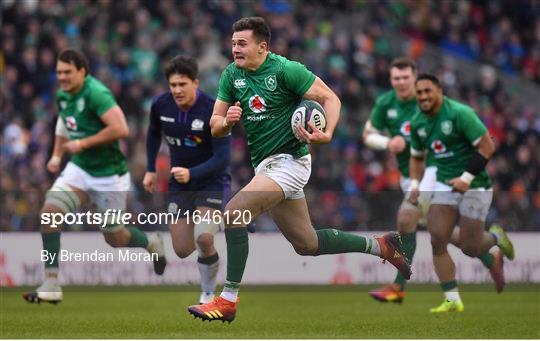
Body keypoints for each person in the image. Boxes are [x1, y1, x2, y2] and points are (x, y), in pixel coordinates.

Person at [187, 17, 411, 323]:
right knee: (307, 245)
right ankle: (382, 246)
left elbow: (330, 98)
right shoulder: (231, 75)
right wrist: (226, 122)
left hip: (291, 162)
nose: (235, 48)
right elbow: (214, 125)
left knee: (234, 214)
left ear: (261, 47)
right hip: (266, 166)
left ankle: (227, 299)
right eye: (233, 43)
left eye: (242, 43)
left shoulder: (285, 70)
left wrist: (328, 132)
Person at [23, 49, 166, 304]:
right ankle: (52, 283)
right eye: (59, 72)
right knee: (49, 213)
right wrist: (56, 155)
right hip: (80, 169)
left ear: (82, 71)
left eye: (67, 72)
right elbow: (63, 124)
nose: (62, 77)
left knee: (115, 237)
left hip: (109, 175)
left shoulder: (97, 93)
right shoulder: (63, 95)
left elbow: (121, 128)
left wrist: (84, 143)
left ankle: (151, 242)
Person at [364, 58, 506, 303]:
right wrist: (388, 143)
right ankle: (490, 252)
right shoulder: (386, 104)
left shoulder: (427, 105)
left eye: (405, 78)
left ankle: (398, 287)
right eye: (395, 78)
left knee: (406, 218)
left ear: (415, 76)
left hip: (434, 172)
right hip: (409, 176)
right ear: (390, 80)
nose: (400, 83)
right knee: (440, 231)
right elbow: (367, 135)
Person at [408, 74, 515, 313]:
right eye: (419, 93)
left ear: (439, 91)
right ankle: (452, 299)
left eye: (428, 91)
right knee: (437, 237)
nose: (423, 96)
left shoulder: (460, 113)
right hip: (446, 184)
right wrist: (415, 185)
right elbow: (416, 158)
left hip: (476, 183)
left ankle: (496, 238)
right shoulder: (417, 122)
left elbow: (488, 146)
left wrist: (466, 178)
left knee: (471, 248)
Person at [143, 55, 231, 304]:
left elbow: (223, 158)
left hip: (212, 181)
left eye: (183, 84)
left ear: (195, 83)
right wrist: (150, 169)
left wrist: (192, 173)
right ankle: (223, 221)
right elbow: (152, 134)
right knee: (182, 249)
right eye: (173, 85)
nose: (177, 90)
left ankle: (207, 294)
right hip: (180, 185)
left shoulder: (214, 110)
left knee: (203, 237)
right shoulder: (161, 106)